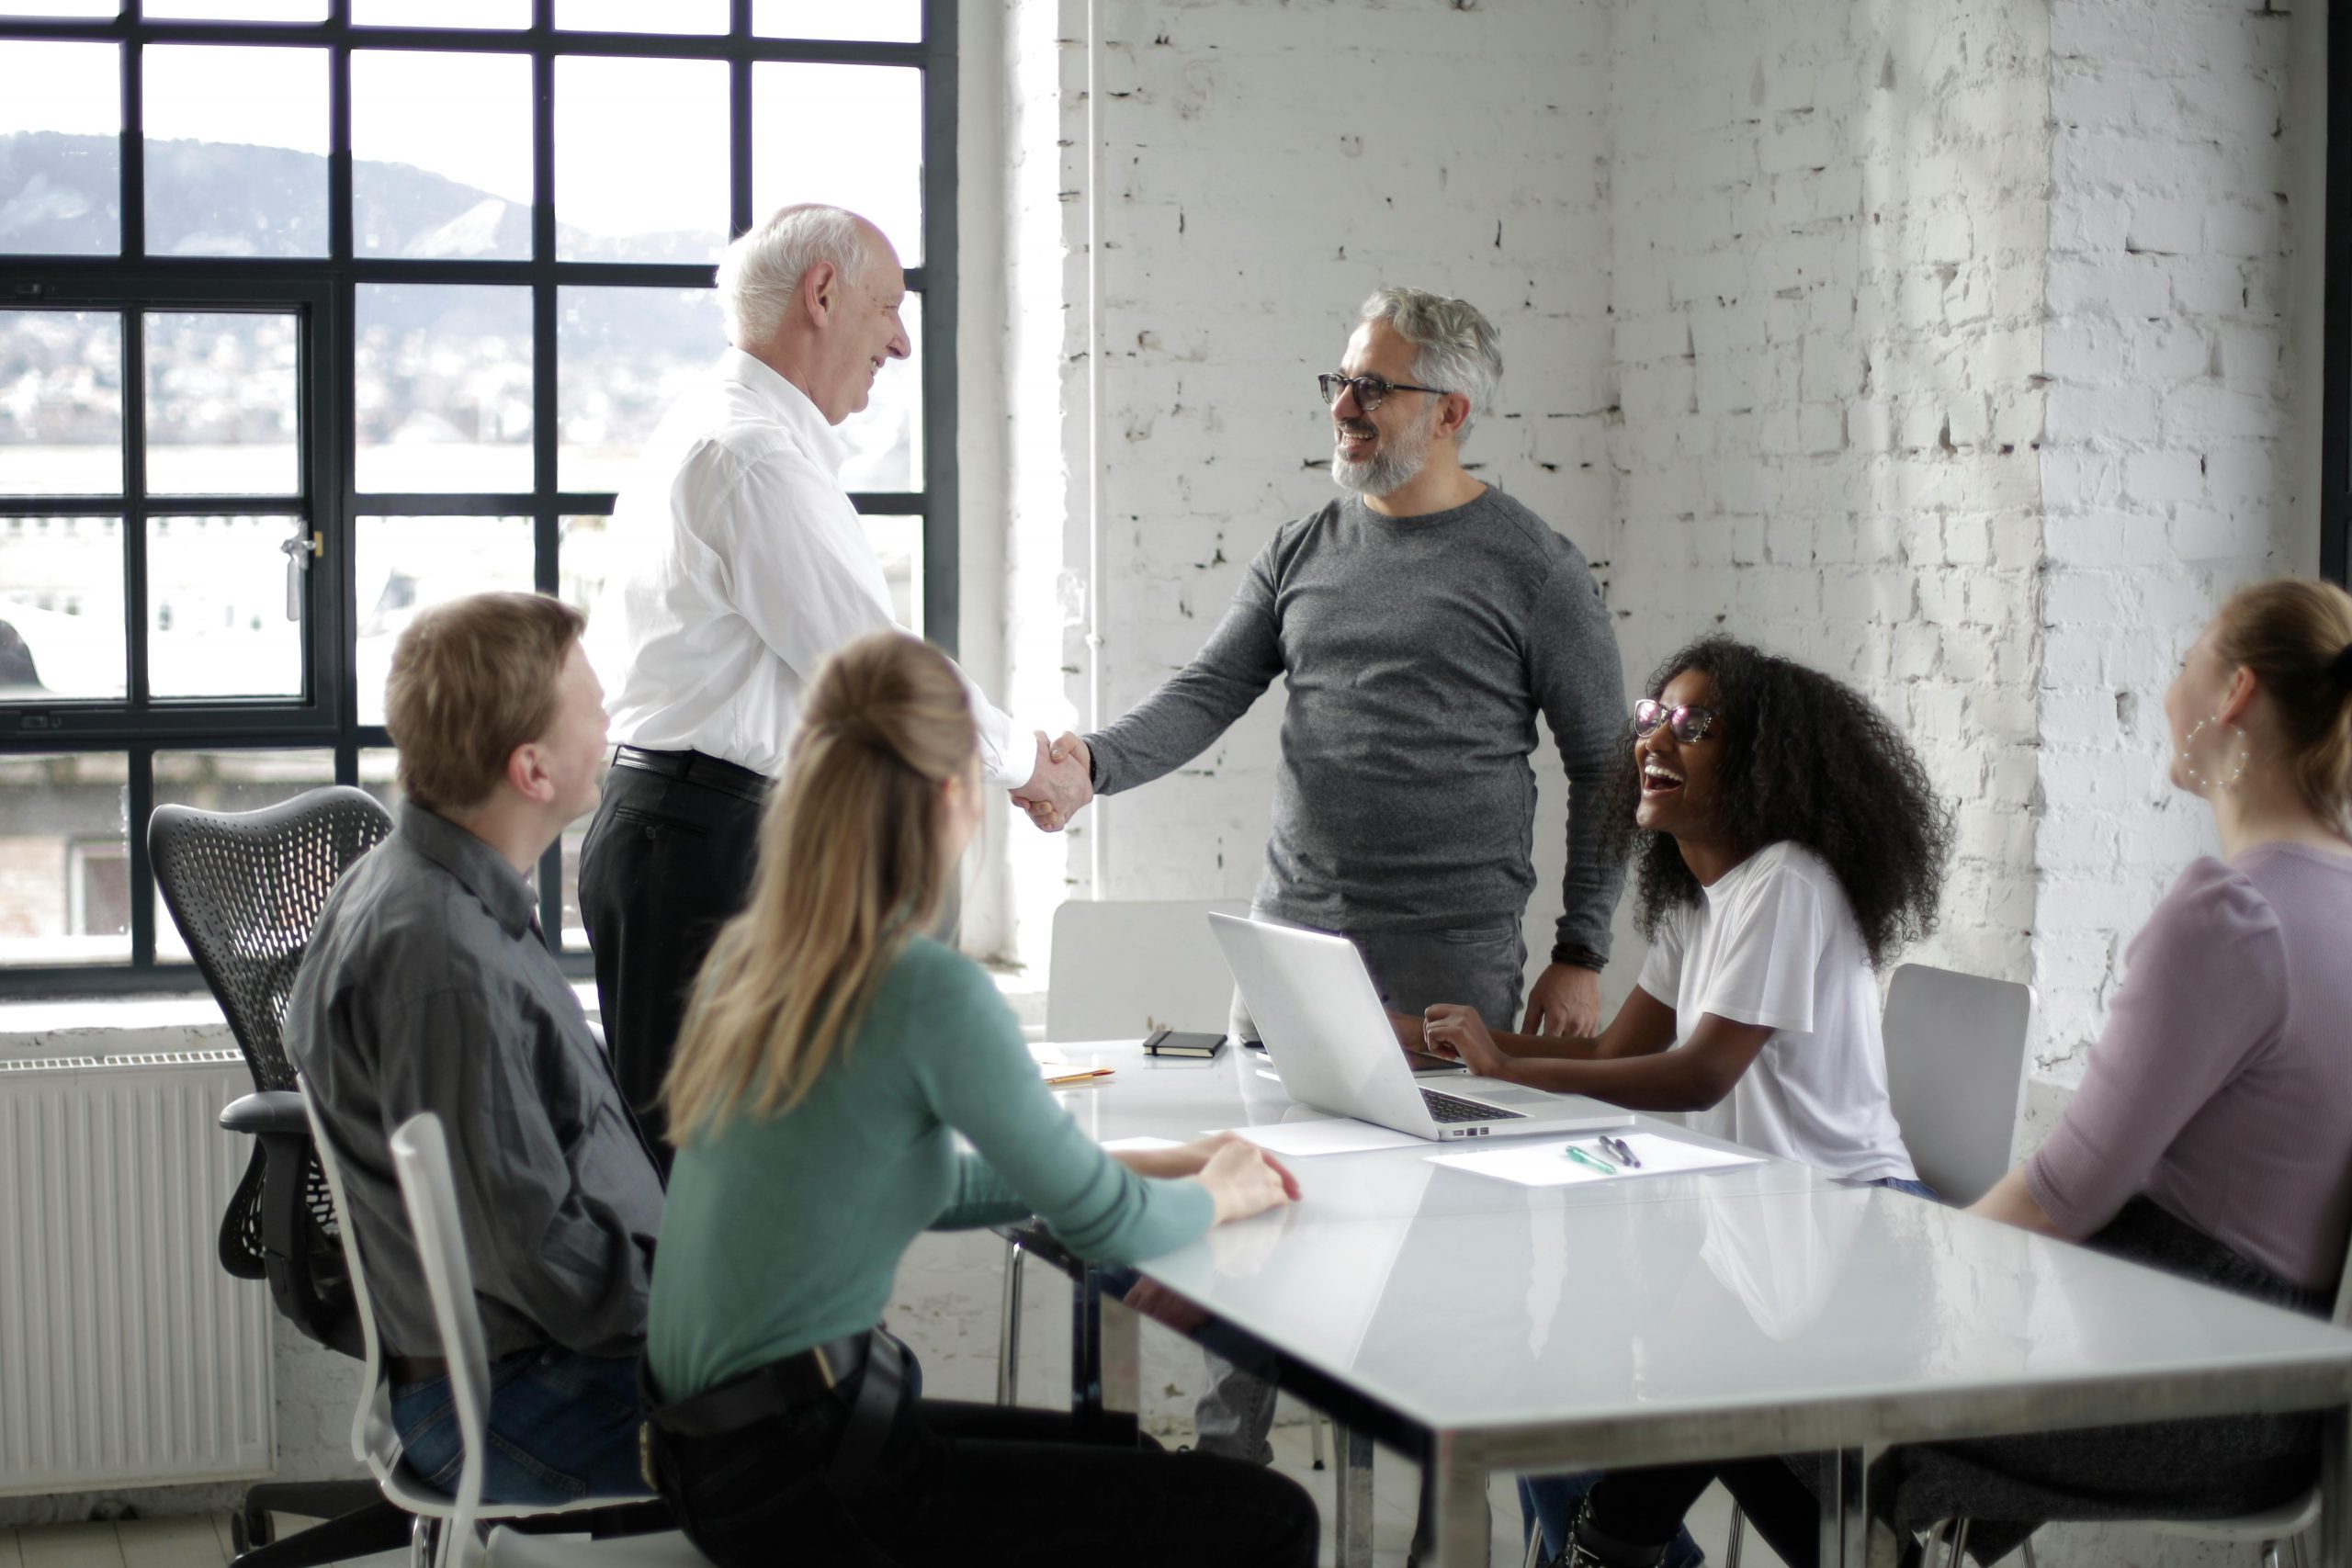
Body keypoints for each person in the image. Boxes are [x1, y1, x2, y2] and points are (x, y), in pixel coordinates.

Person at [1026, 286, 1629, 1470]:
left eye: (1373, 386)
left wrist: (1582, 948)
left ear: (1450, 411)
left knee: (1440, 1268)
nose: (1345, 407)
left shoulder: (1535, 568)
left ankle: (1431, 1520)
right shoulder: (1304, 545)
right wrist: (1092, 765)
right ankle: (1226, 1503)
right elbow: (1207, 692)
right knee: (1254, 1234)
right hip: (1290, 951)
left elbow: (1605, 762)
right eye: (1340, 382)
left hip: (1449, 961)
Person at [639, 629, 1319, 1568]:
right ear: (958, 797)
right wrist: (1227, 1192)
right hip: (804, 1475)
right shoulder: (923, 988)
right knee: (1269, 1516)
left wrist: (1160, 1162)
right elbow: (1110, 1229)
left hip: (709, 1457)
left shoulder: (750, 959)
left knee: (1119, 1457)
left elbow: (916, 1184)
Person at [1416, 636, 1950, 1568]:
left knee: (1681, 1443)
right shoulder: (1702, 905)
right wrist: (1444, 1046)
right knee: (1566, 1418)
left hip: (1850, 1233)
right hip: (1757, 1231)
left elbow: (1697, 1075)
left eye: (1693, 724)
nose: (1655, 741)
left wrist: (1502, 1068)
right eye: (1651, 716)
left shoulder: (1788, 884)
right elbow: (1624, 1053)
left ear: (1764, 760)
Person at [1852, 578, 2352, 1568]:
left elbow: (2061, 1196)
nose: (2171, 688)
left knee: (1795, 1397)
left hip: (2174, 1386)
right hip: (2276, 1395)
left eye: (2186, 660)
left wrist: (1895, 1299)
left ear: (2235, 693)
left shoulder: (2232, 917)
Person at [580, 203, 1087, 1156]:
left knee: (731, 1165)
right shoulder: (752, 457)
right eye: (889, 307)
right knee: (709, 1179)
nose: (899, 340)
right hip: (701, 849)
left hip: (692, 834)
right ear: (821, 295)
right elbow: (874, 672)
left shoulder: (722, 428)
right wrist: (1028, 765)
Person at [288, 592, 662, 1504]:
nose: (611, 714)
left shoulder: (435, 885)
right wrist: (703, 1314)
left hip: (540, 1363)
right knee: (843, 1450)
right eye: (592, 703)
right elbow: (539, 1255)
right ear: (531, 769)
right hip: (516, 1399)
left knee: (856, 1396)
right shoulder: (444, 961)